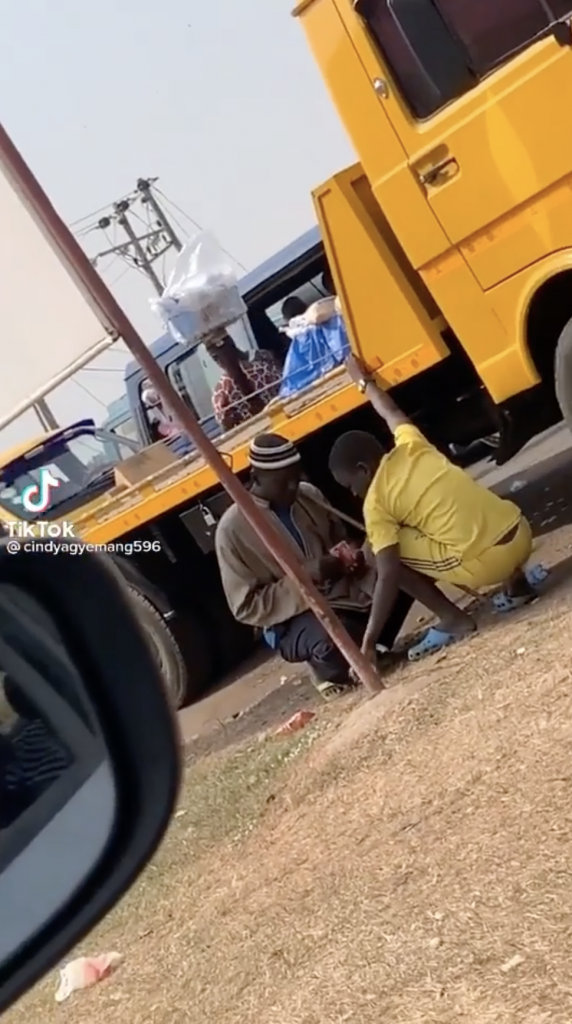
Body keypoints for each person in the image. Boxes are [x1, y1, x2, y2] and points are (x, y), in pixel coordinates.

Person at [328, 354, 535, 662]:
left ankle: (454, 619)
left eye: (349, 485)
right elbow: (392, 412)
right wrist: (364, 383)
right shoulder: (412, 444)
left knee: (377, 551)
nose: (353, 493)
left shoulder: (376, 504)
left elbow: (387, 574)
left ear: (362, 469)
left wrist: (369, 641)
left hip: (487, 564)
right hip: (522, 534)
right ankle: (518, 586)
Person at [214, 433, 413, 699]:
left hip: (346, 594)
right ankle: (330, 672)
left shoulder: (308, 495)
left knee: (402, 569)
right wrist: (304, 578)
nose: (294, 487)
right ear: (256, 477)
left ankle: (372, 649)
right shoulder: (232, 530)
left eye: (297, 477)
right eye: (284, 482)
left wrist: (350, 556)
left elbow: (341, 539)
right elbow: (245, 607)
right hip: (294, 619)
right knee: (334, 633)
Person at [210, 334, 282, 432]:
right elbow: (285, 389)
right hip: (281, 421)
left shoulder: (221, 391)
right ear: (234, 345)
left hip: (254, 437)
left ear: (215, 359)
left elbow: (226, 428)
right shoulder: (264, 368)